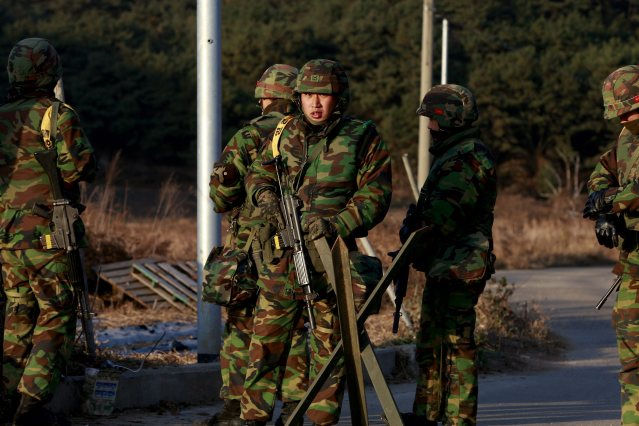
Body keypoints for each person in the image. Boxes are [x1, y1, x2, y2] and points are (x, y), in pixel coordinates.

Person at [241, 59, 391, 425]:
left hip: (332, 259)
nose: (315, 104)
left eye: (323, 95)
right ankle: (252, 419)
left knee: (331, 348)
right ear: (298, 97)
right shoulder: (283, 133)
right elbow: (258, 174)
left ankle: (320, 421)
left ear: (339, 98)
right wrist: (265, 198)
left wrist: (336, 225)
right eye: (308, 95)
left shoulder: (361, 136)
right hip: (282, 258)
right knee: (265, 346)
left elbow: (375, 194)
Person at [206, 64, 310, 426]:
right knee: (296, 328)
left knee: (242, 328)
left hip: (250, 250)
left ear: (267, 98)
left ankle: (236, 409)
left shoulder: (248, 136)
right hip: (297, 247)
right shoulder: (307, 136)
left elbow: (220, 196)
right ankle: (295, 408)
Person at [0, 38, 96, 425]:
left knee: (18, 310)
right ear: (51, 73)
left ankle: (6, 399)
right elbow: (79, 169)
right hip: (47, 233)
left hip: (7, 235)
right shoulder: (56, 115)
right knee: (56, 311)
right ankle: (32, 406)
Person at [399, 84, 496, 426]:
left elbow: (444, 214)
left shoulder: (469, 156)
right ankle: (428, 413)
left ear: (449, 119)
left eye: (433, 120)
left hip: (461, 264)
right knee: (432, 342)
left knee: (456, 345)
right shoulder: (453, 155)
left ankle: (459, 418)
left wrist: (417, 229)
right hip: (446, 263)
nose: (429, 127)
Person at [583, 65, 639, 425]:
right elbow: (601, 175)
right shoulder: (626, 138)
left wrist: (612, 202)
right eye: (620, 114)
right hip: (633, 262)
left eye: (629, 111)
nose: (625, 119)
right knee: (631, 355)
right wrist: (602, 209)